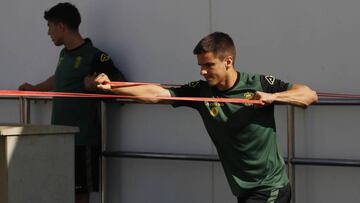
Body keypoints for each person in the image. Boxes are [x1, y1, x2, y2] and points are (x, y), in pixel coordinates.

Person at [95, 32, 318, 203]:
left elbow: (309, 95)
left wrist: (273, 97)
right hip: (244, 190)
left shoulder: (259, 84)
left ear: (228, 61)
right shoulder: (201, 91)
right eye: (200, 66)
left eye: (209, 65)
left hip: (271, 188)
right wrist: (114, 87)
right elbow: (157, 94)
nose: (202, 71)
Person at [18, 2, 125, 203]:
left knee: (79, 193)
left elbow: (119, 84)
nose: (48, 32)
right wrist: (35, 88)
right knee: (61, 187)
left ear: (61, 27)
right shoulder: (64, 53)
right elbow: (60, 77)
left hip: (82, 138)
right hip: (61, 135)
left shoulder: (95, 55)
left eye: (50, 26)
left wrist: (94, 85)